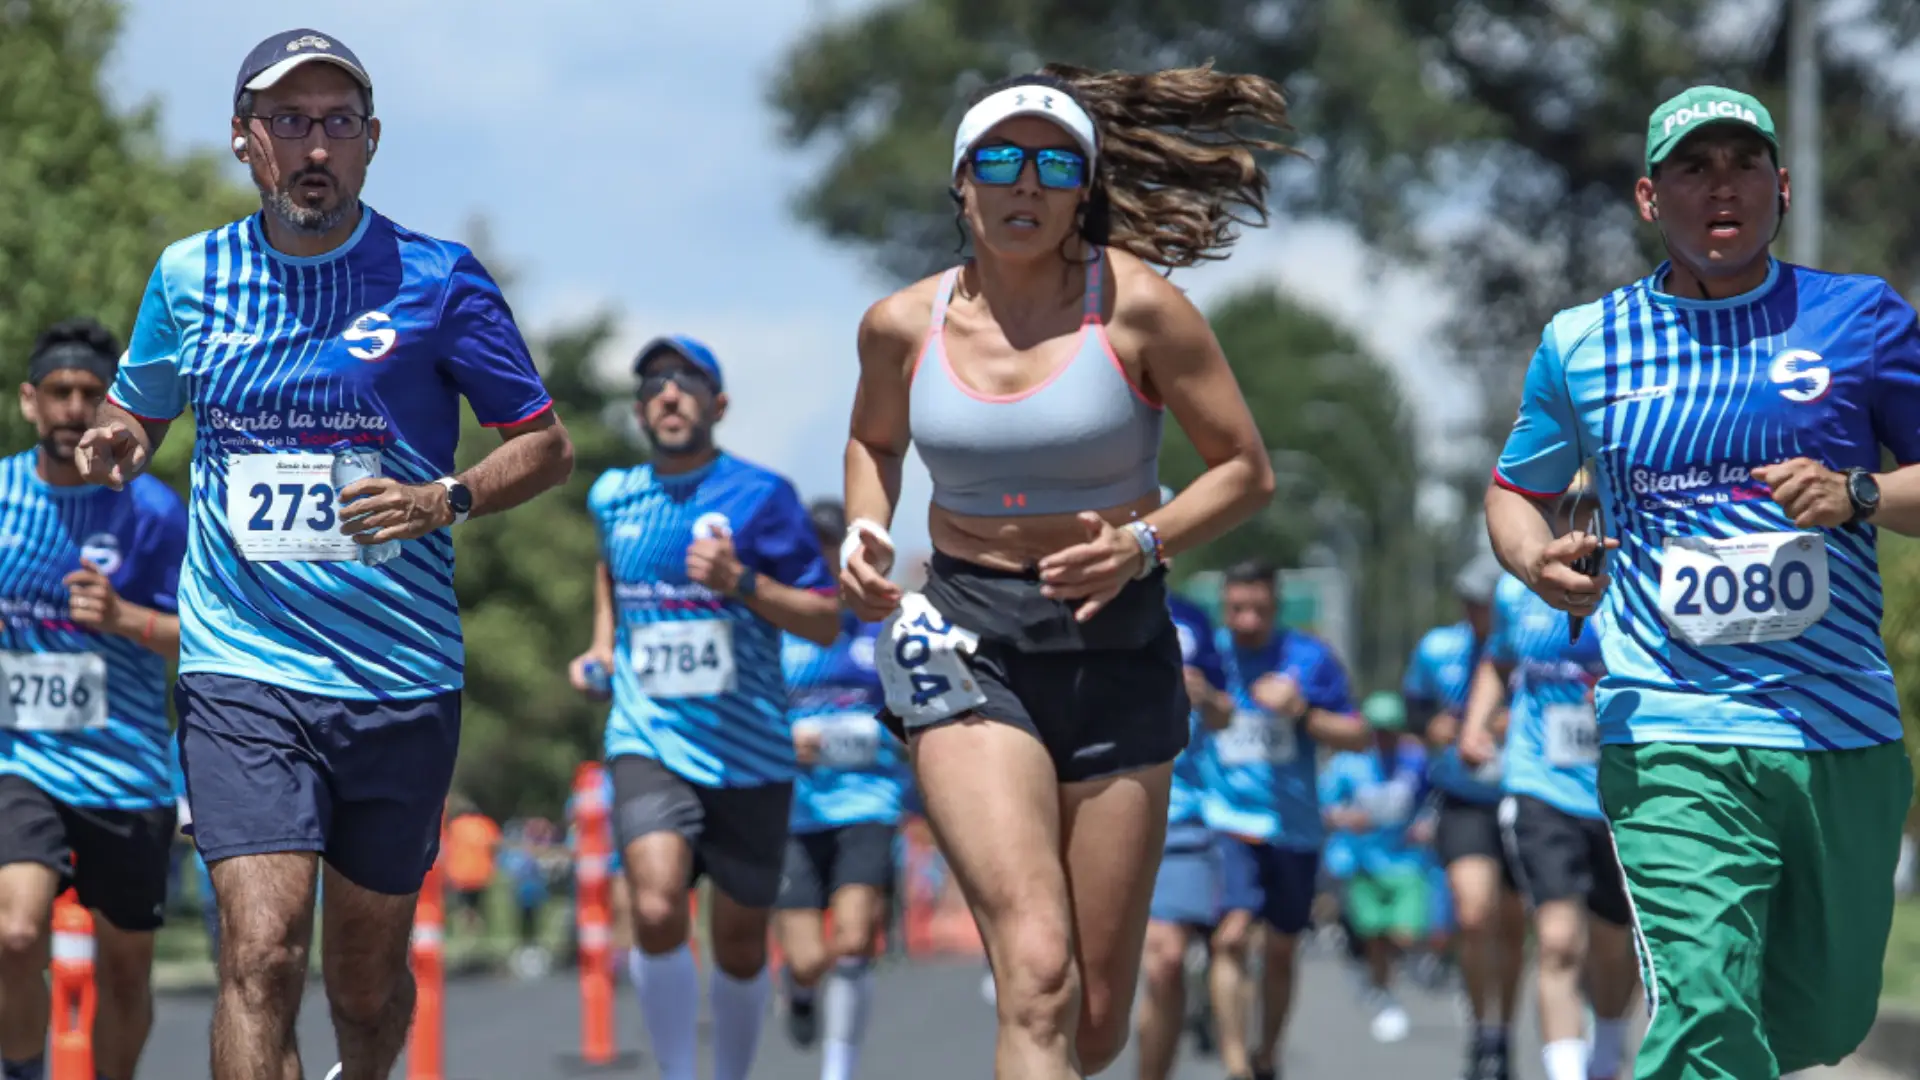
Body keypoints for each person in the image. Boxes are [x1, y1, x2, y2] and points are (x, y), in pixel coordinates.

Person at [75, 29, 573, 1080]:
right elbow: (140, 410)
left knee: (365, 982)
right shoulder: (190, 274)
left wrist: (446, 498)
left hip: (400, 674)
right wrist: (119, 438)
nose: (315, 147)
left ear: (371, 140)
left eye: (338, 123)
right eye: (290, 122)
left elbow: (544, 444)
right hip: (242, 666)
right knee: (259, 954)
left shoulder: (438, 278)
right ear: (244, 138)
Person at [837, 63, 1281, 1080]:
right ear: (962, 184)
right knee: (1037, 972)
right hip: (964, 637)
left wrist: (1143, 543)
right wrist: (866, 527)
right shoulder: (901, 324)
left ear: (1084, 188)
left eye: (1054, 165)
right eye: (1001, 162)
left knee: (1096, 1019)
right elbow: (874, 442)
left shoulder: (1140, 310)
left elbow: (1245, 472)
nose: (1026, 185)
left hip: (1115, 640)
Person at [1485, 85, 1920, 1080]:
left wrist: (1857, 493)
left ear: (1782, 186)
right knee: (1706, 1002)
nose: (1722, 187)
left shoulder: (1860, 319)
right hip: (1671, 726)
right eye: (1693, 167)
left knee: (1819, 1021)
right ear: (1650, 197)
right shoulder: (1584, 344)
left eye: (1742, 164)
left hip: (1839, 729)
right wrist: (1532, 557)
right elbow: (1514, 492)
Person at [569, 334, 840, 1080]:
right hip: (648, 735)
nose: (669, 394)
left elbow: (825, 620)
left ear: (718, 405)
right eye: (654, 384)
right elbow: (610, 571)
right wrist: (603, 647)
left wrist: (741, 582)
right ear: (639, 411)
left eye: (686, 382)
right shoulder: (613, 494)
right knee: (655, 906)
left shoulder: (763, 496)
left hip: (750, 747)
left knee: (742, 941)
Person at [0, 320, 188, 1080]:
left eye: (90, 393)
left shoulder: (153, 513)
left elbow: (205, 641)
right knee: (14, 936)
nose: (74, 408)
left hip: (126, 769)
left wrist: (125, 619)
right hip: (20, 759)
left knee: (126, 973)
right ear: (30, 401)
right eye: (59, 392)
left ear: (112, 406)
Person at [1461, 473, 1638, 1080]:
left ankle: (1607, 1054)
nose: (1577, 519)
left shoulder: (1635, 582)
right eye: (1564, 507)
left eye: (1590, 506)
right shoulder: (1518, 591)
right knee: (1559, 939)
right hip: (1541, 785)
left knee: (1614, 942)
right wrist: (1475, 725)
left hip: (1621, 790)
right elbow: (1498, 662)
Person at [1196, 561, 1369, 1080]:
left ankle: (1267, 1055)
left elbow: (1357, 735)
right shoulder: (1208, 656)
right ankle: (1235, 1065)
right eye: (1237, 609)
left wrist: (1302, 712)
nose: (1248, 621)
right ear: (1223, 606)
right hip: (1226, 819)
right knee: (1230, 936)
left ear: (1276, 606)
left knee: (1280, 947)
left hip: (1294, 827)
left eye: (1260, 609)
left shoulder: (1310, 658)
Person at [773, 498, 907, 1080]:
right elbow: (746, 713)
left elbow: (914, 715)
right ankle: (799, 990)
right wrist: (786, 738)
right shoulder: (778, 628)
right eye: (813, 546)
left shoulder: (881, 631)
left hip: (866, 803)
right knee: (807, 959)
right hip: (794, 811)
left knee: (853, 940)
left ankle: (838, 1069)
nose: (823, 558)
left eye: (832, 546)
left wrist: (877, 736)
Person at [1404, 554, 1525, 1080]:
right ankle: (1482, 1029)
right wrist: (1429, 727)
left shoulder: (1529, 644)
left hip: (1523, 795)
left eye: (1487, 604)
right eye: (1471, 603)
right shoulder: (1437, 649)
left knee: (1515, 926)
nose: (1478, 613)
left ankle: (1505, 1032)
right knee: (1474, 915)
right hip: (1462, 798)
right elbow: (1413, 709)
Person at [1132, 564, 1232, 1080]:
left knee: (1166, 960)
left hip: (1180, 815)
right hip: (1090, 805)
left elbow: (1225, 713)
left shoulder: (1191, 620)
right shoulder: (1066, 607)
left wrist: (1207, 698)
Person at [1319, 691, 1428, 1046]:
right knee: (1374, 935)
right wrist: (1347, 818)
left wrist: (1427, 824)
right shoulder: (1346, 765)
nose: (1384, 737)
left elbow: (1433, 800)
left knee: (1405, 935)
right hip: (1363, 864)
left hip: (1405, 862)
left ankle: (1390, 976)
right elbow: (1326, 809)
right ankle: (1382, 992)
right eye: (1377, 730)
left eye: (1390, 730)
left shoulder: (1416, 760)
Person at [444, 803, 501, 937]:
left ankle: (464, 928)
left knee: (462, 904)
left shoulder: (456, 825)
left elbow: (447, 846)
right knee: (478, 903)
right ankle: (476, 929)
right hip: (481, 872)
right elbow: (495, 845)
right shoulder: (486, 824)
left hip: (459, 872)